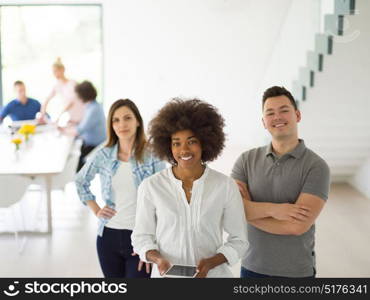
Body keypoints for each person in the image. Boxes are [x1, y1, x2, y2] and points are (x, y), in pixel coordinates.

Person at [132, 98, 247, 278]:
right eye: (176, 143)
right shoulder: (151, 186)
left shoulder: (225, 186)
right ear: (168, 146)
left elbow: (239, 240)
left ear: (204, 142)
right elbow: (141, 238)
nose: (183, 150)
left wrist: (211, 262)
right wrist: (157, 259)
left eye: (191, 141)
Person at [231, 86, 330, 278]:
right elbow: (232, 209)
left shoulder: (317, 167)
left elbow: (297, 226)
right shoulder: (245, 160)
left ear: (297, 115)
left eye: (284, 110)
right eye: (270, 113)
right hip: (251, 267)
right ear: (263, 122)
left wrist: (247, 211)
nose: (277, 117)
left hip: (296, 272)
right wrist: (275, 210)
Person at [75, 99, 166, 278]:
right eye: (116, 120)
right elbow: (80, 181)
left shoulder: (153, 155)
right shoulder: (103, 154)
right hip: (107, 237)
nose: (122, 124)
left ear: (137, 121)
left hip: (140, 237)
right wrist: (96, 209)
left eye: (127, 118)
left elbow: (164, 199)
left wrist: (150, 247)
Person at [58, 81, 106, 172]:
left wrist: (63, 130)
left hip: (95, 146)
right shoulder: (93, 105)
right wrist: (75, 122)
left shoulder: (93, 109)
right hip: (92, 142)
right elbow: (87, 124)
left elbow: (79, 131)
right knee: (72, 150)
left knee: (72, 159)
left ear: (82, 95)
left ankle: (77, 177)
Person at [40, 57, 85, 124]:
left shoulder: (73, 83)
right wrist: (42, 114)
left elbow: (71, 102)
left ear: (63, 70)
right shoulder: (57, 86)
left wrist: (59, 116)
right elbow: (47, 99)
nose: (55, 74)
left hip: (81, 115)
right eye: (53, 72)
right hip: (72, 118)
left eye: (56, 71)